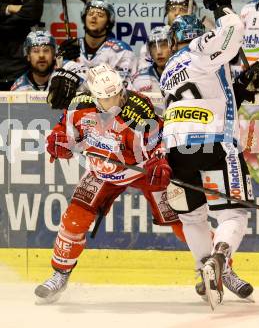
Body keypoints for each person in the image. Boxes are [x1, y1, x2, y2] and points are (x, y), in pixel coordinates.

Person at [157, 0, 259, 310]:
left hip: (177, 149)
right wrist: (219, 3)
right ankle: (220, 259)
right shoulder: (199, 50)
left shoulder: (168, 71)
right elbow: (232, 32)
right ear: (196, 37)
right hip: (214, 142)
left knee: (192, 218)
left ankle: (203, 268)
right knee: (234, 214)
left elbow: (205, 93)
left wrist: (242, 88)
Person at [34, 63, 184, 304]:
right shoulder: (78, 106)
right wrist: (57, 143)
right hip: (102, 172)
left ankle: (217, 266)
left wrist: (160, 161)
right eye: (107, 98)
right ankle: (60, 273)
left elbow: (161, 140)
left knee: (181, 219)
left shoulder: (139, 106)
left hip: (141, 171)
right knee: (74, 219)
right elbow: (62, 134)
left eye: (118, 94)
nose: (115, 101)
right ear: (94, 97)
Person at [47, 0, 138, 109]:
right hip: (72, 109)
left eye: (100, 15)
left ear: (109, 22)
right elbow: (55, 85)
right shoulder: (69, 47)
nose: (94, 17)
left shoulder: (122, 50)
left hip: (109, 111)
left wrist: (79, 78)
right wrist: (63, 61)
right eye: (90, 13)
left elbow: (123, 88)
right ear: (84, 18)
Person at [138, 0, 198, 73]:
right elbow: (146, 77)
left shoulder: (201, 39)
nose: (176, 13)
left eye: (182, 9)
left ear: (191, 13)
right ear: (167, 13)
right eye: (173, 9)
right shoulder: (153, 43)